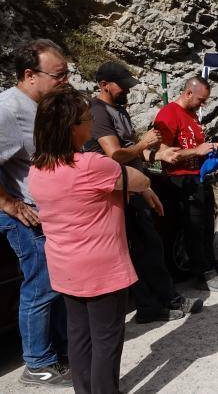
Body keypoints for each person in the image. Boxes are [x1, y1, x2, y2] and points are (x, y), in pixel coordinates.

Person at [29, 86, 148, 394]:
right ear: (72, 128)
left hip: (65, 266)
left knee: (79, 335)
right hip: (102, 268)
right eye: (86, 118)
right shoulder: (92, 165)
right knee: (107, 339)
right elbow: (140, 180)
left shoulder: (38, 169)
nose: (91, 123)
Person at [84, 61, 203, 323]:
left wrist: (158, 154)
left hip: (134, 187)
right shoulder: (99, 113)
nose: (127, 90)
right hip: (120, 192)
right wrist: (143, 144)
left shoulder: (118, 109)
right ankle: (158, 303)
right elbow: (115, 155)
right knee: (145, 248)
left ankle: (157, 304)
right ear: (104, 85)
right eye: (122, 86)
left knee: (147, 247)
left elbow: (132, 152)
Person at [0, 39, 70, 387]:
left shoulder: (43, 105)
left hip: (49, 214)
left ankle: (60, 351)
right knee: (41, 287)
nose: (66, 81)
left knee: (55, 286)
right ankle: (38, 363)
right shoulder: (7, 110)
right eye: (59, 75)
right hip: (25, 217)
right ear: (30, 75)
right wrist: (9, 203)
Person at [153, 76, 218, 292]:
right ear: (188, 93)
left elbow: (194, 145)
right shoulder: (169, 113)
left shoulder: (191, 115)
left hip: (198, 177)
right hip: (180, 179)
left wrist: (209, 148)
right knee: (194, 228)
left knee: (207, 225)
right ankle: (203, 274)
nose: (203, 104)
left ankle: (212, 266)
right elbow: (163, 153)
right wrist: (196, 151)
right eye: (201, 100)